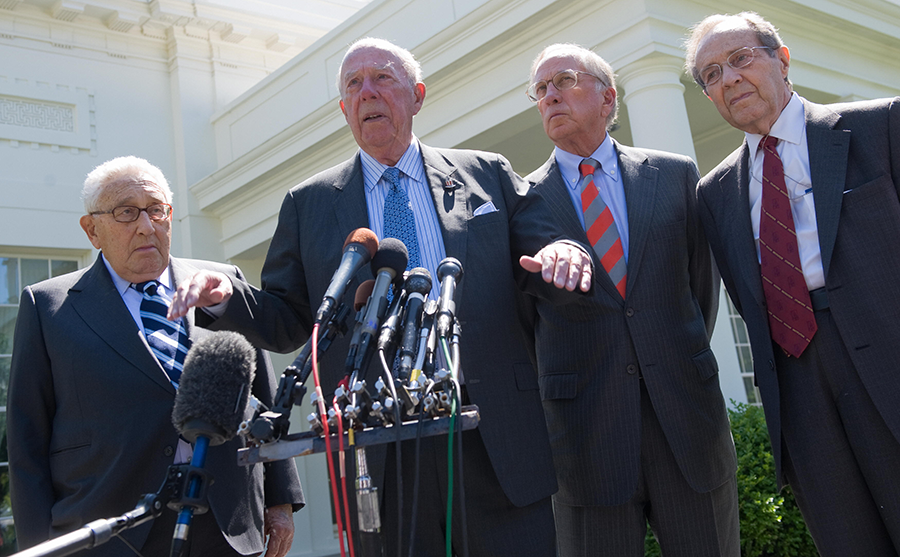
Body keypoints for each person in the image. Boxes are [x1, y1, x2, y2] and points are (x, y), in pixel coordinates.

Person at [168, 37, 593, 557]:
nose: (367, 91)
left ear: (416, 95)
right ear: (344, 109)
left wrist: (565, 254)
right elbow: (291, 320)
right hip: (375, 447)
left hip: (494, 436)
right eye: (353, 85)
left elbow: (543, 252)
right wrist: (226, 298)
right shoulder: (309, 205)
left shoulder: (488, 175)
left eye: (382, 78)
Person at [6, 156, 304, 557]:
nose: (146, 226)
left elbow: (263, 394)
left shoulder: (220, 282)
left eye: (156, 210)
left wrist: (280, 499)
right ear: (92, 230)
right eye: (126, 213)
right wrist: (38, 548)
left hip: (228, 521)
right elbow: (27, 440)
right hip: (111, 527)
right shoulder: (48, 306)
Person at [685, 12, 900, 556]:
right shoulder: (713, 194)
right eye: (711, 74)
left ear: (781, 59)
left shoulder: (881, 126)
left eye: (740, 59)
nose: (728, 79)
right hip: (799, 391)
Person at [523, 43, 739, 557]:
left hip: (688, 425)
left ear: (607, 97)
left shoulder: (674, 175)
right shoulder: (520, 199)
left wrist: (669, 358)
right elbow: (523, 320)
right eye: (540, 89)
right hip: (584, 442)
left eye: (564, 80)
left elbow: (698, 290)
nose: (550, 95)